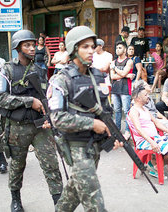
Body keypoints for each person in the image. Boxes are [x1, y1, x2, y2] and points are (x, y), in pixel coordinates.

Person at [48, 25, 122, 212]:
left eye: (92, 46)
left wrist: (110, 134)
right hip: (76, 146)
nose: (91, 51)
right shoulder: (61, 80)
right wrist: (92, 124)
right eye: (85, 47)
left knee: (74, 191)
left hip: (94, 146)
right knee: (93, 200)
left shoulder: (98, 76)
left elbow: (106, 109)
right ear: (73, 49)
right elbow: (57, 119)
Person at [0, 30, 63, 212]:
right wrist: (28, 102)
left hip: (41, 126)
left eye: (33, 45)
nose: (32, 48)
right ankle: (15, 199)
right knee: (17, 165)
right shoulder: (6, 70)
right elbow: (0, 98)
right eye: (27, 45)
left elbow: (46, 96)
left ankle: (59, 204)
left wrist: (50, 116)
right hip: (17, 127)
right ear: (17, 48)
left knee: (51, 165)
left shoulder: (39, 70)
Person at [127, 85, 168, 165]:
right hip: (145, 141)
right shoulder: (134, 111)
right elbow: (139, 129)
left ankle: (154, 162)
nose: (148, 96)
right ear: (138, 99)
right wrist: (152, 142)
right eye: (145, 95)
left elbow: (157, 123)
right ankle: (155, 165)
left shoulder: (145, 109)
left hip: (156, 138)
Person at [110, 41, 134, 139]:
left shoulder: (129, 61)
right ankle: (117, 130)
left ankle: (128, 131)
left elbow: (123, 73)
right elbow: (112, 76)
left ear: (125, 50)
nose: (117, 50)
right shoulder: (113, 61)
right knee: (117, 110)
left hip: (125, 89)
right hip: (115, 89)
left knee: (127, 111)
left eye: (120, 48)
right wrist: (126, 75)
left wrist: (117, 69)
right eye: (116, 48)